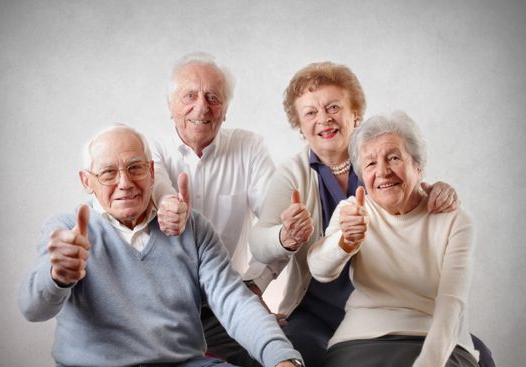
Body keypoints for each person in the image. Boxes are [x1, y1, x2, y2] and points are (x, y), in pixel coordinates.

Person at [249, 62, 493, 367]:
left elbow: (410, 193)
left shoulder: (378, 155)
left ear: (355, 114)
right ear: (300, 125)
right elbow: (263, 245)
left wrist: (438, 191)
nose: (324, 119)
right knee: (294, 354)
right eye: (311, 112)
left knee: (478, 354)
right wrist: (283, 240)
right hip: (321, 310)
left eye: (333, 107)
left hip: (403, 311)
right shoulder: (293, 175)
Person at [18, 125, 304, 367]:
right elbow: (33, 309)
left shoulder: (192, 228)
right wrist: (57, 278)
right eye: (108, 173)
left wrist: (281, 359)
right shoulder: (67, 230)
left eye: (135, 168)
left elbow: (235, 302)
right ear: (86, 182)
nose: (125, 183)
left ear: (152, 172)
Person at [307, 111, 478, 366]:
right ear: (362, 175)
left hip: (438, 341)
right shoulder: (352, 211)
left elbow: (452, 303)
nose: (383, 172)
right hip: (361, 339)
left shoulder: (454, 220)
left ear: (418, 165)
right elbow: (320, 269)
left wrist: (429, 363)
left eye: (394, 158)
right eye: (370, 163)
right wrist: (345, 242)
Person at [151, 52, 280, 366]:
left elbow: (279, 224)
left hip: (225, 300)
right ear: (170, 106)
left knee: (263, 355)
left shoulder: (249, 148)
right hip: (164, 305)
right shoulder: (149, 150)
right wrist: (169, 205)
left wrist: (256, 284)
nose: (201, 107)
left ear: (226, 109)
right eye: (190, 96)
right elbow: (160, 188)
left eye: (213, 97)